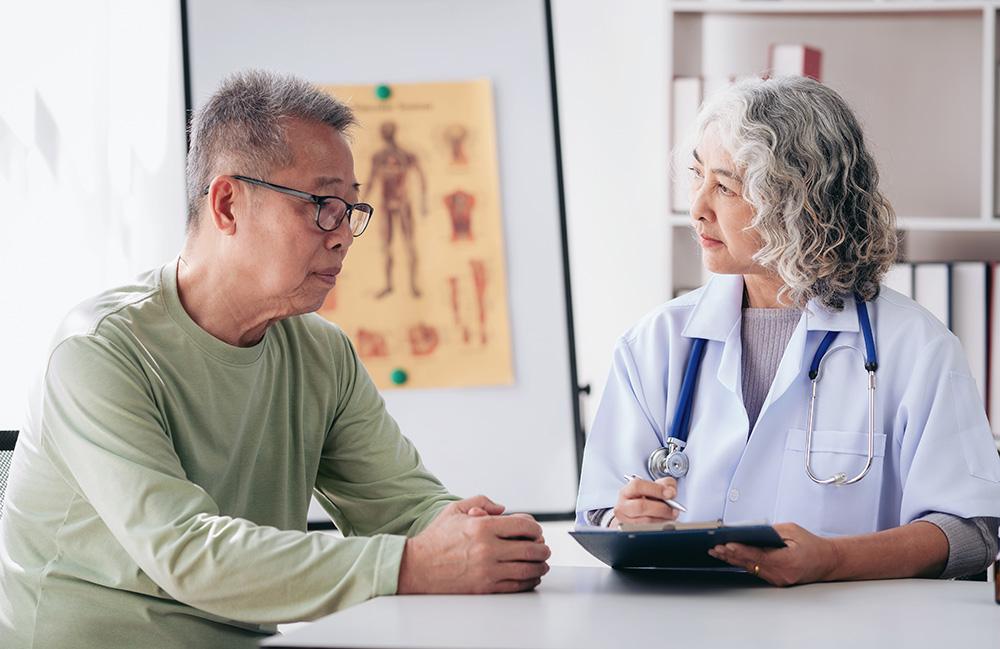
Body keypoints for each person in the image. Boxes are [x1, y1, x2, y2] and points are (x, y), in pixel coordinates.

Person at [0, 69, 549, 649]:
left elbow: (403, 508)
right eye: (321, 205)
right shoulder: (99, 351)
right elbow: (185, 551)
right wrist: (411, 565)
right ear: (229, 204)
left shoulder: (322, 354)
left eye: (350, 211)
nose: (341, 236)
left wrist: (480, 535)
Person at [576, 75, 1000, 585]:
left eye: (725, 187)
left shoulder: (916, 347)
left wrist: (835, 560)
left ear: (797, 202)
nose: (696, 208)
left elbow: (972, 530)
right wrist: (627, 520)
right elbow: (600, 512)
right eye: (696, 176)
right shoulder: (656, 343)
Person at [365, 121, 428, 299]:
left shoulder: (406, 155)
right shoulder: (378, 157)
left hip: (403, 203)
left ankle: (413, 284)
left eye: (388, 131)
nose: (386, 134)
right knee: (386, 246)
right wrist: (359, 203)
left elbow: (421, 176)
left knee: (409, 244)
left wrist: (423, 202)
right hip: (386, 204)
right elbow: (371, 180)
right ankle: (388, 284)